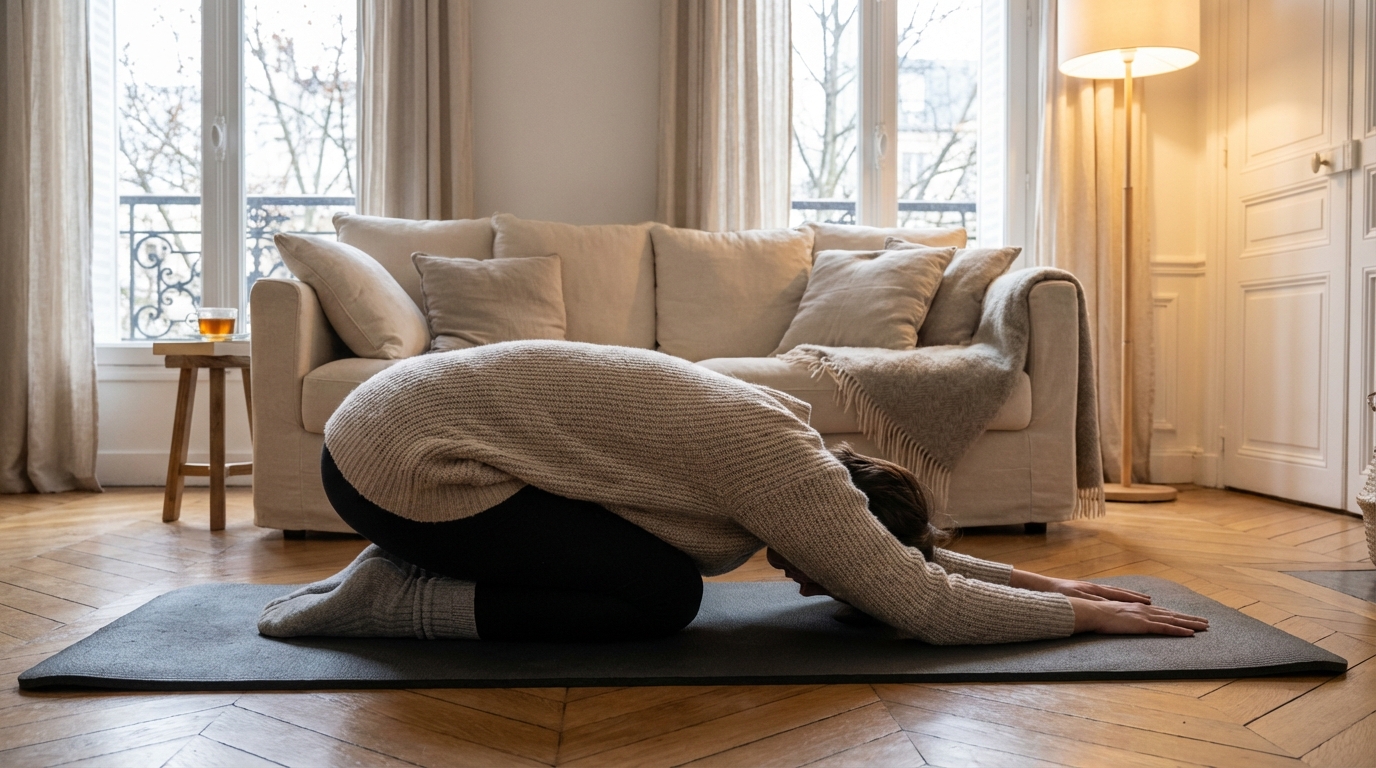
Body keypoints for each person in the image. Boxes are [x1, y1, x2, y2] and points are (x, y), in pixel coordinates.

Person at [259, 340, 1207, 645]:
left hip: (382, 432)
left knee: (651, 572)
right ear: (837, 522)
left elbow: (905, 562)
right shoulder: (785, 475)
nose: (809, 581)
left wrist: (1058, 587)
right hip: (408, 469)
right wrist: (1090, 624)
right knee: (661, 596)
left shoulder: (796, 447)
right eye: (830, 572)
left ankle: (421, 556)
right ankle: (397, 593)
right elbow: (918, 598)